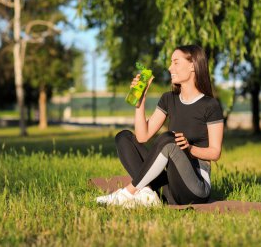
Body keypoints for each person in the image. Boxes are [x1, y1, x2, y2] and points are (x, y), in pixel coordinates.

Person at [96, 45, 224, 207]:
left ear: (192, 65)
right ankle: (148, 193)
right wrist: (140, 102)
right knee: (124, 137)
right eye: (171, 63)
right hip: (169, 186)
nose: (170, 68)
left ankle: (128, 193)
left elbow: (215, 152)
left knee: (170, 139)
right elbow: (142, 136)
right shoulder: (168, 99)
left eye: (176, 62)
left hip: (195, 188)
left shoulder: (210, 105)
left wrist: (189, 148)